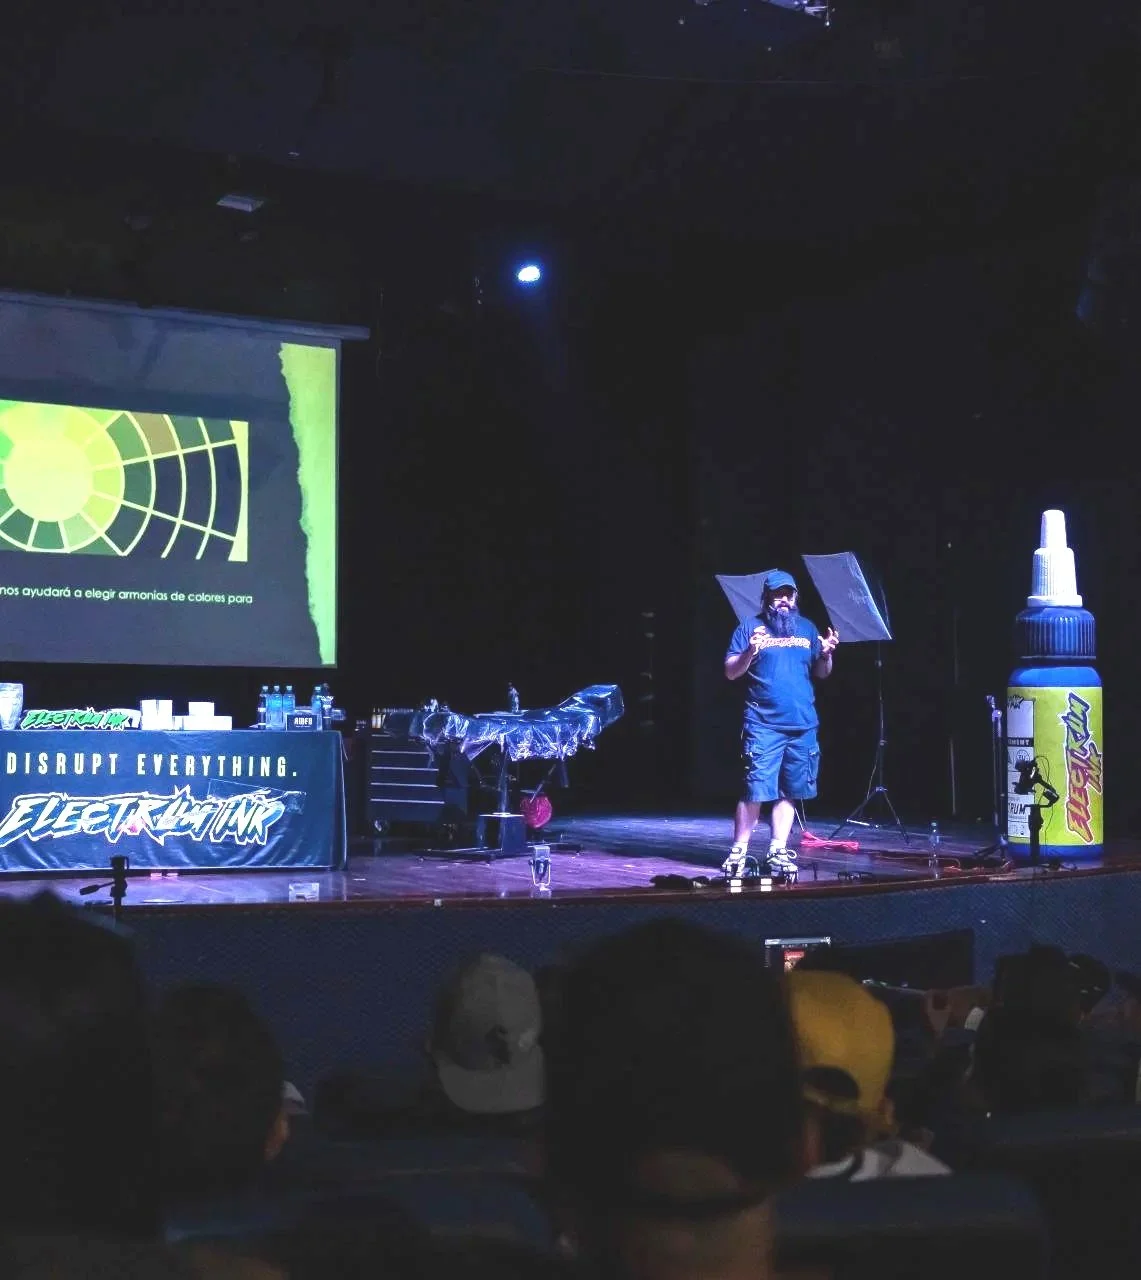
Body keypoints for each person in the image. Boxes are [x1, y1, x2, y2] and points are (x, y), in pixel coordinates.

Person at [723, 569, 838, 875]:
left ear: (796, 597)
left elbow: (821, 673)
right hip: (763, 724)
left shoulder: (808, 628)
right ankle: (738, 852)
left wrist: (826, 655)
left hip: (802, 725)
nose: (784, 600)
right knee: (755, 789)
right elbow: (731, 672)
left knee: (790, 790)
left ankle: (777, 850)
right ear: (766, 598)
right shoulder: (750, 628)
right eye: (778, 594)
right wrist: (751, 651)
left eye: (789, 594)